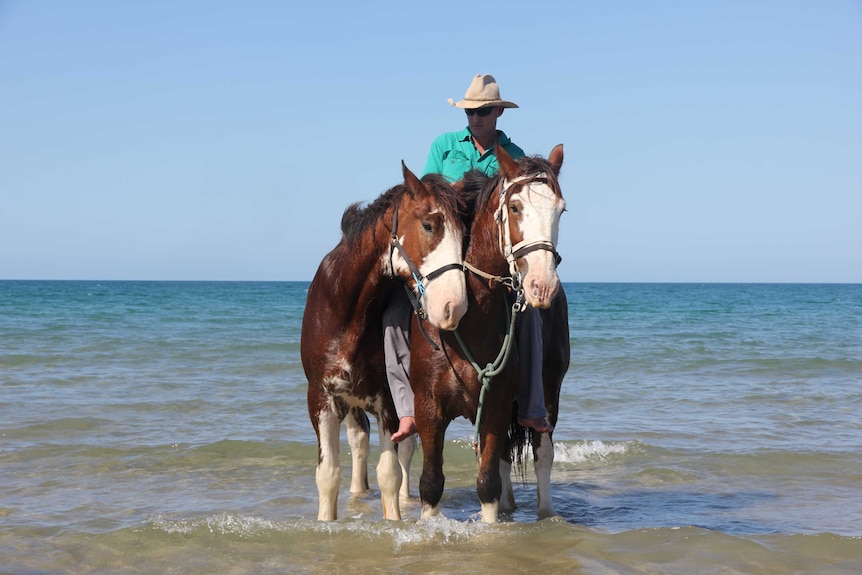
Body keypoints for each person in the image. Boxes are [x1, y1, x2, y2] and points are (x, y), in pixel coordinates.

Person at [384, 74, 553, 443]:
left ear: (498, 114)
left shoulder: (515, 156)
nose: (476, 118)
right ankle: (406, 410)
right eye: (471, 111)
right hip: (444, 249)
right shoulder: (444, 146)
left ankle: (532, 406)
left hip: (490, 258)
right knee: (394, 312)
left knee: (531, 316)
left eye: (484, 111)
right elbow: (428, 197)